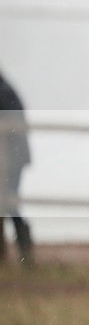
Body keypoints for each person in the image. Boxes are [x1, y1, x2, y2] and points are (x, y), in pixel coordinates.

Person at [0, 71, 33, 266]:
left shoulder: (3, 92)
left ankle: (24, 251)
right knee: (8, 202)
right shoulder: (6, 89)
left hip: (10, 158)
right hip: (12, 156)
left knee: (8, 201)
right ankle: (23, 251)